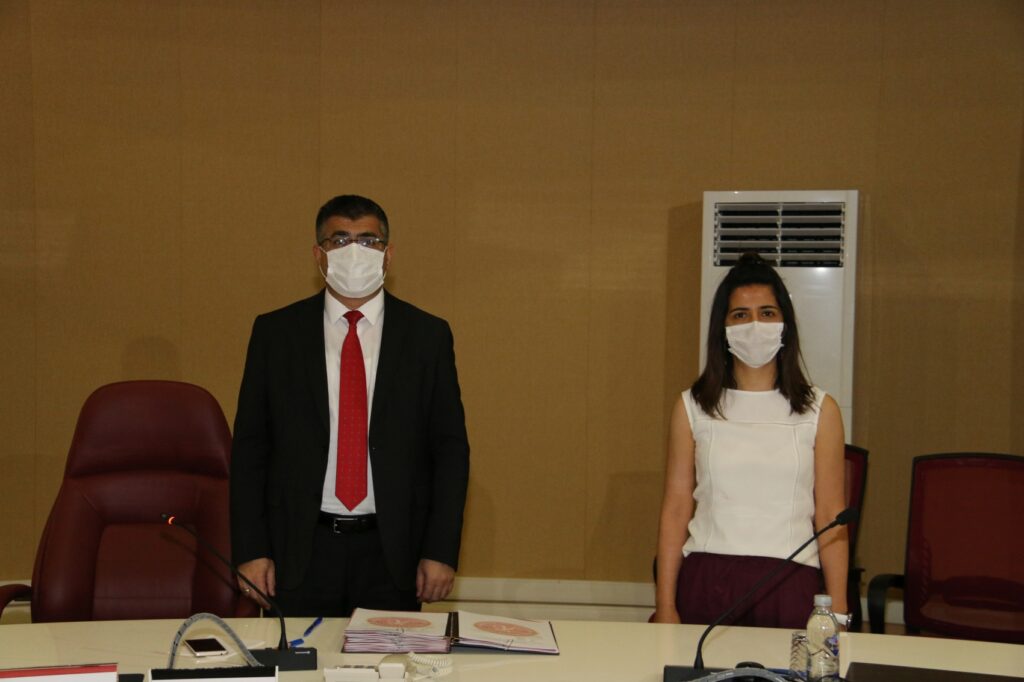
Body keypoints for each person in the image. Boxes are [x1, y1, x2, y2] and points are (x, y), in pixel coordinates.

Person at [230, 194, 470, 617]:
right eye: (340, 240)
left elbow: (449, 450)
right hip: (299, 552)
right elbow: (251, 449)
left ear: (388, 254)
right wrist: (251, 549)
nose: (355, 252)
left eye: (369, 241)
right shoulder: (276, 334)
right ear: (318, 255)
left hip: (392, 554)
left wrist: (440, 550)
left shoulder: (427, 336)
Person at [653, 252, 848, 628]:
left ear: (785, 325)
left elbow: (830, 515)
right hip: (708, 578)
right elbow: (675, 510)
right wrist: (665, 605)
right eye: (740, 315)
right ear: (723, 328)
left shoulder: (820, 410)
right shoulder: (692, 407)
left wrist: (837, 613)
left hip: (790, 581)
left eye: (767, 313)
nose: (755, 325)